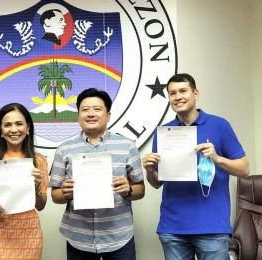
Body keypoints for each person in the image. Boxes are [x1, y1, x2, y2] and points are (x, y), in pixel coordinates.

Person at [142, 73, 250, 260]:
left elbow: (245, 169)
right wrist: (150, 171)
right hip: (173, 228)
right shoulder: (164, 132)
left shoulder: (219, 125)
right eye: (172, 93)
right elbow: (156, 183)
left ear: (196, 94)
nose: (178, 97)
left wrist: (218, 158)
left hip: (212, 227)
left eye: (183, 91)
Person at [50, 88, 145, 260]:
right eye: (85, 110)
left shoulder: (127, 145)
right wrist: (65, 193)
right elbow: (55, 195)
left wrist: (128, 190)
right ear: (78, 115)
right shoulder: (64, 149)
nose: (91, 114)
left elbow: (140, 189)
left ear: (108, 115)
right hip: (78, 238)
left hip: (119, 237)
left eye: (97, 109)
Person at [0, 103, 48, 260]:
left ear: (28, 128)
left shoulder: (39, 161)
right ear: (0, 130)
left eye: (19, 124)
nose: (14, 130)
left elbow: (41, 205)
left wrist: (36, 186)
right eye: (7, 125)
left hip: (28, 234)